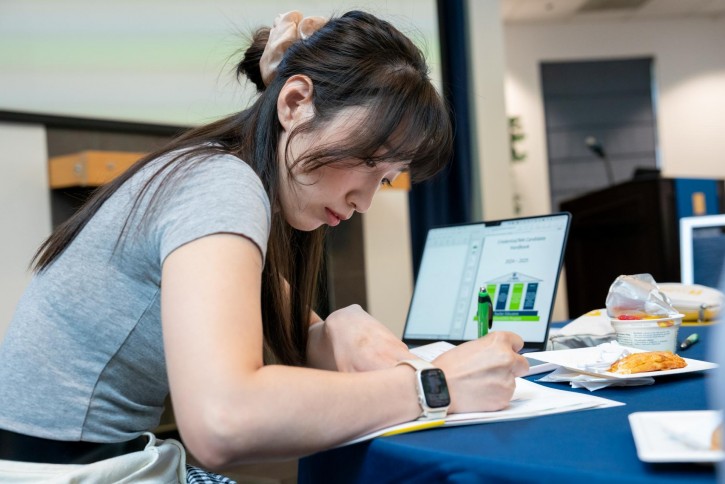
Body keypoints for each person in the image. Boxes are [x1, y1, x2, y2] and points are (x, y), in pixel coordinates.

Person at [0, 9, 528, 483]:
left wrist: (337, 327)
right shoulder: (220, 186)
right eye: (368, 160)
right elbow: (222, 420)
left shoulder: (207, 172)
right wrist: (433, 384)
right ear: (296, 102)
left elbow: (303, 336)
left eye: (386, 178)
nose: (365, 199)